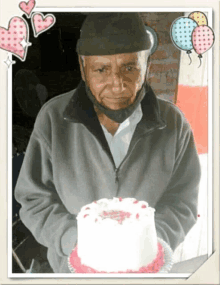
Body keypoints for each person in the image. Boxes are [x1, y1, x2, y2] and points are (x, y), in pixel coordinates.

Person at [15, 12, 201, 273]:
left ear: (147, 65)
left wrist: (144, 247)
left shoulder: (174, 124)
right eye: (101, 70)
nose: (117, 85)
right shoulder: (53, 119)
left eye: (130, 67)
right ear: (83, 68)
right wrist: (80, 244)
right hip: (74, 271)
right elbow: (34, 200)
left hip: (144, 273)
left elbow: (183, 202)